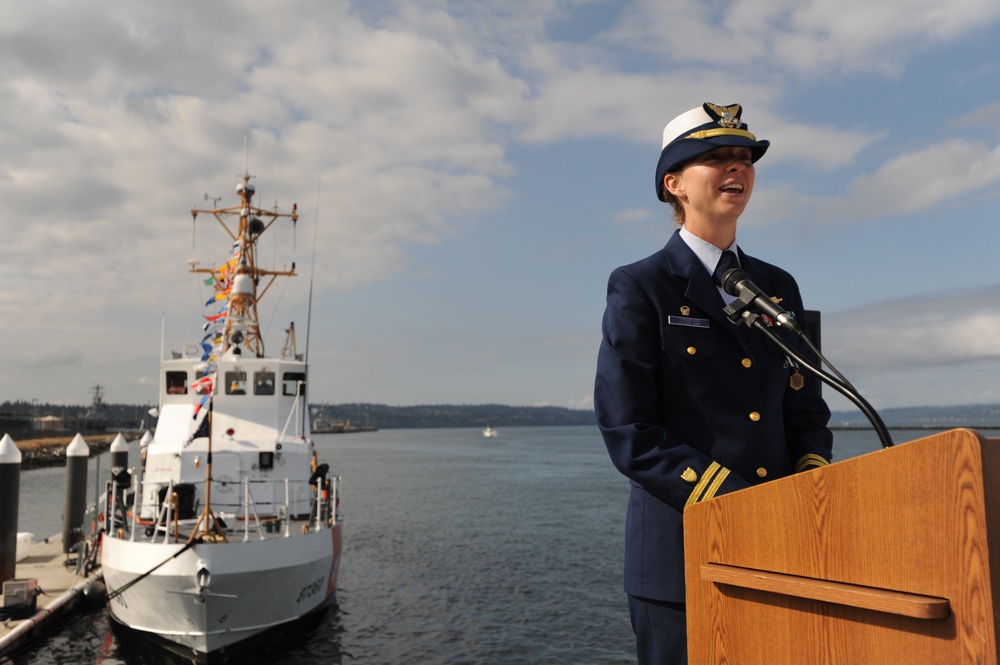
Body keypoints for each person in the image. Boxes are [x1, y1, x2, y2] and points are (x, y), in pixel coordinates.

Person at [594, 102, 833, 664]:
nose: (737, 168)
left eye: (744, 158)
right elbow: (629, 430)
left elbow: (805, 412)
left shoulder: (778, 287)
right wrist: (732, 501)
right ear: (673, 184)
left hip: (778, 550)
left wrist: (809, 485)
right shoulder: (641, 286)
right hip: (680, 563)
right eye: (716, 158)